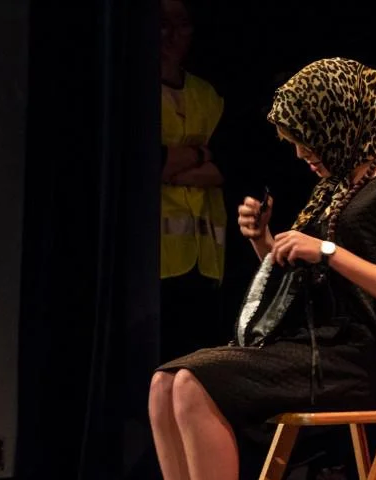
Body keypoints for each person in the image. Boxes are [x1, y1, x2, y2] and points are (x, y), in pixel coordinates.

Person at [120, 57, 376, 480]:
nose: (299, 152)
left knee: (193, 382)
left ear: (338, 121)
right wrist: (265, 241)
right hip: (317, 347)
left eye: (305, 138)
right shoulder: (338, 189)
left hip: (359, 358)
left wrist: (327, 250)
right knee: (164, 381)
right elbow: (305, 285)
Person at [158, 0, 228, 363]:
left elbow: (228, 166)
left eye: (181, 23)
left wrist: (175, 165)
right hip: (155, 265)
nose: (171, 33)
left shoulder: (207, 95)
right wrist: (202, 153)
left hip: (206, 261)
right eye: (162, 22)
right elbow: (148, 164)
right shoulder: (131, 91)